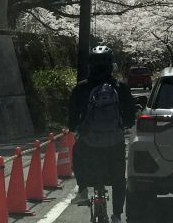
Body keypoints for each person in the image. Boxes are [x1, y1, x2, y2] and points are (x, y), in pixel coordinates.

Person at [68, 45, 137, 223]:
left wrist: (73, 127)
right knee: (119, 179)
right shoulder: (120, 87)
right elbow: (130, 114)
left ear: (90, 65)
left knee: (77, 153)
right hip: (114, 141)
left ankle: (82, 189)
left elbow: (72, 117)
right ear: (111, 65)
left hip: (89, 141)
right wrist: (126, 125)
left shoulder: (81, 88)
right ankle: (116, 215)